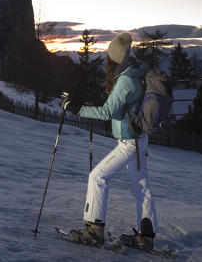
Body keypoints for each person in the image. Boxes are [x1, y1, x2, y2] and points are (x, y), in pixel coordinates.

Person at [61, 32, 158, 250]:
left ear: (115, 57)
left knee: (97, 177)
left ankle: (94, 231)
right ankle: (146, 237)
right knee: (141, 187)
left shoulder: (126, 81)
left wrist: (75, 108)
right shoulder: (137, 71)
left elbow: (107, 112)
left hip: (129, 142)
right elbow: (117, 106)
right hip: (139, 139)